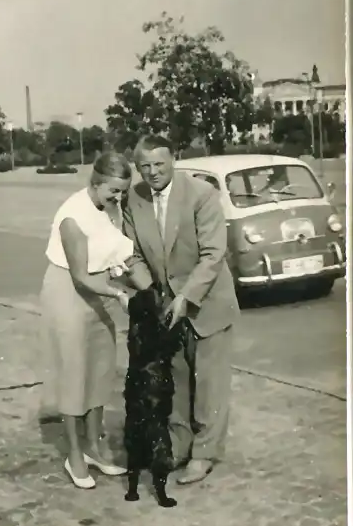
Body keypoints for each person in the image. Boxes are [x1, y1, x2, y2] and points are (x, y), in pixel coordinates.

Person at [122, 135, 240, 485]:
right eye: (145, 166)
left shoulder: (201, 194)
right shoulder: (134, 199)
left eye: (159, 164)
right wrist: (154, 295)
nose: (153, 172)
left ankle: (204, 454)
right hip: (165, 307)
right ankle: (177, 446)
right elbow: (134, 255)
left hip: (207, 304)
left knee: (209, 384)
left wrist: (185, 298)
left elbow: (213, 254)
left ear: (173, 158)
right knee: (176, 382)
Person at [39, 152, 139, 490]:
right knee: (74, 372)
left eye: (123, 191)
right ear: (94, 183)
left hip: (101, 290)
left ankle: (96, 447)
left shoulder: (110, 209)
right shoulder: (73, 216)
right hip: (69, 291)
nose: (119, 197)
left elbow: (117, 255)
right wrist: (122, 295)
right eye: (113, 190)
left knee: (100, 367)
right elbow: (81, 277)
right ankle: (75, 454)